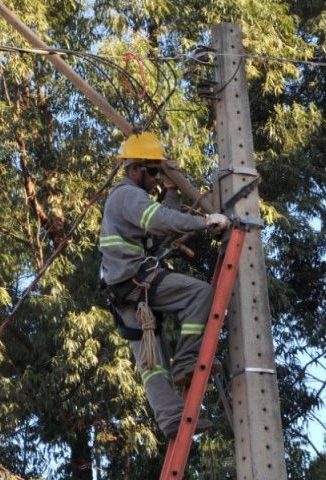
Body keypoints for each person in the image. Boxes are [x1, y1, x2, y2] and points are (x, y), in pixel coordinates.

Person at [98, 131, 229, 438]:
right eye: (153, 171)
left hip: (125, 291)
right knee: (200, 294)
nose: (156, 178)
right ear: (135, 170)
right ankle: (187, 359)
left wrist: (173, 191)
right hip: (134, 280)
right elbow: (159, 220)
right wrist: (206, 222)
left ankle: (171, 419)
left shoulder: (129, 200)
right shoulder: (127, 195)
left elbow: (160, 231)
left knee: (152, 362)